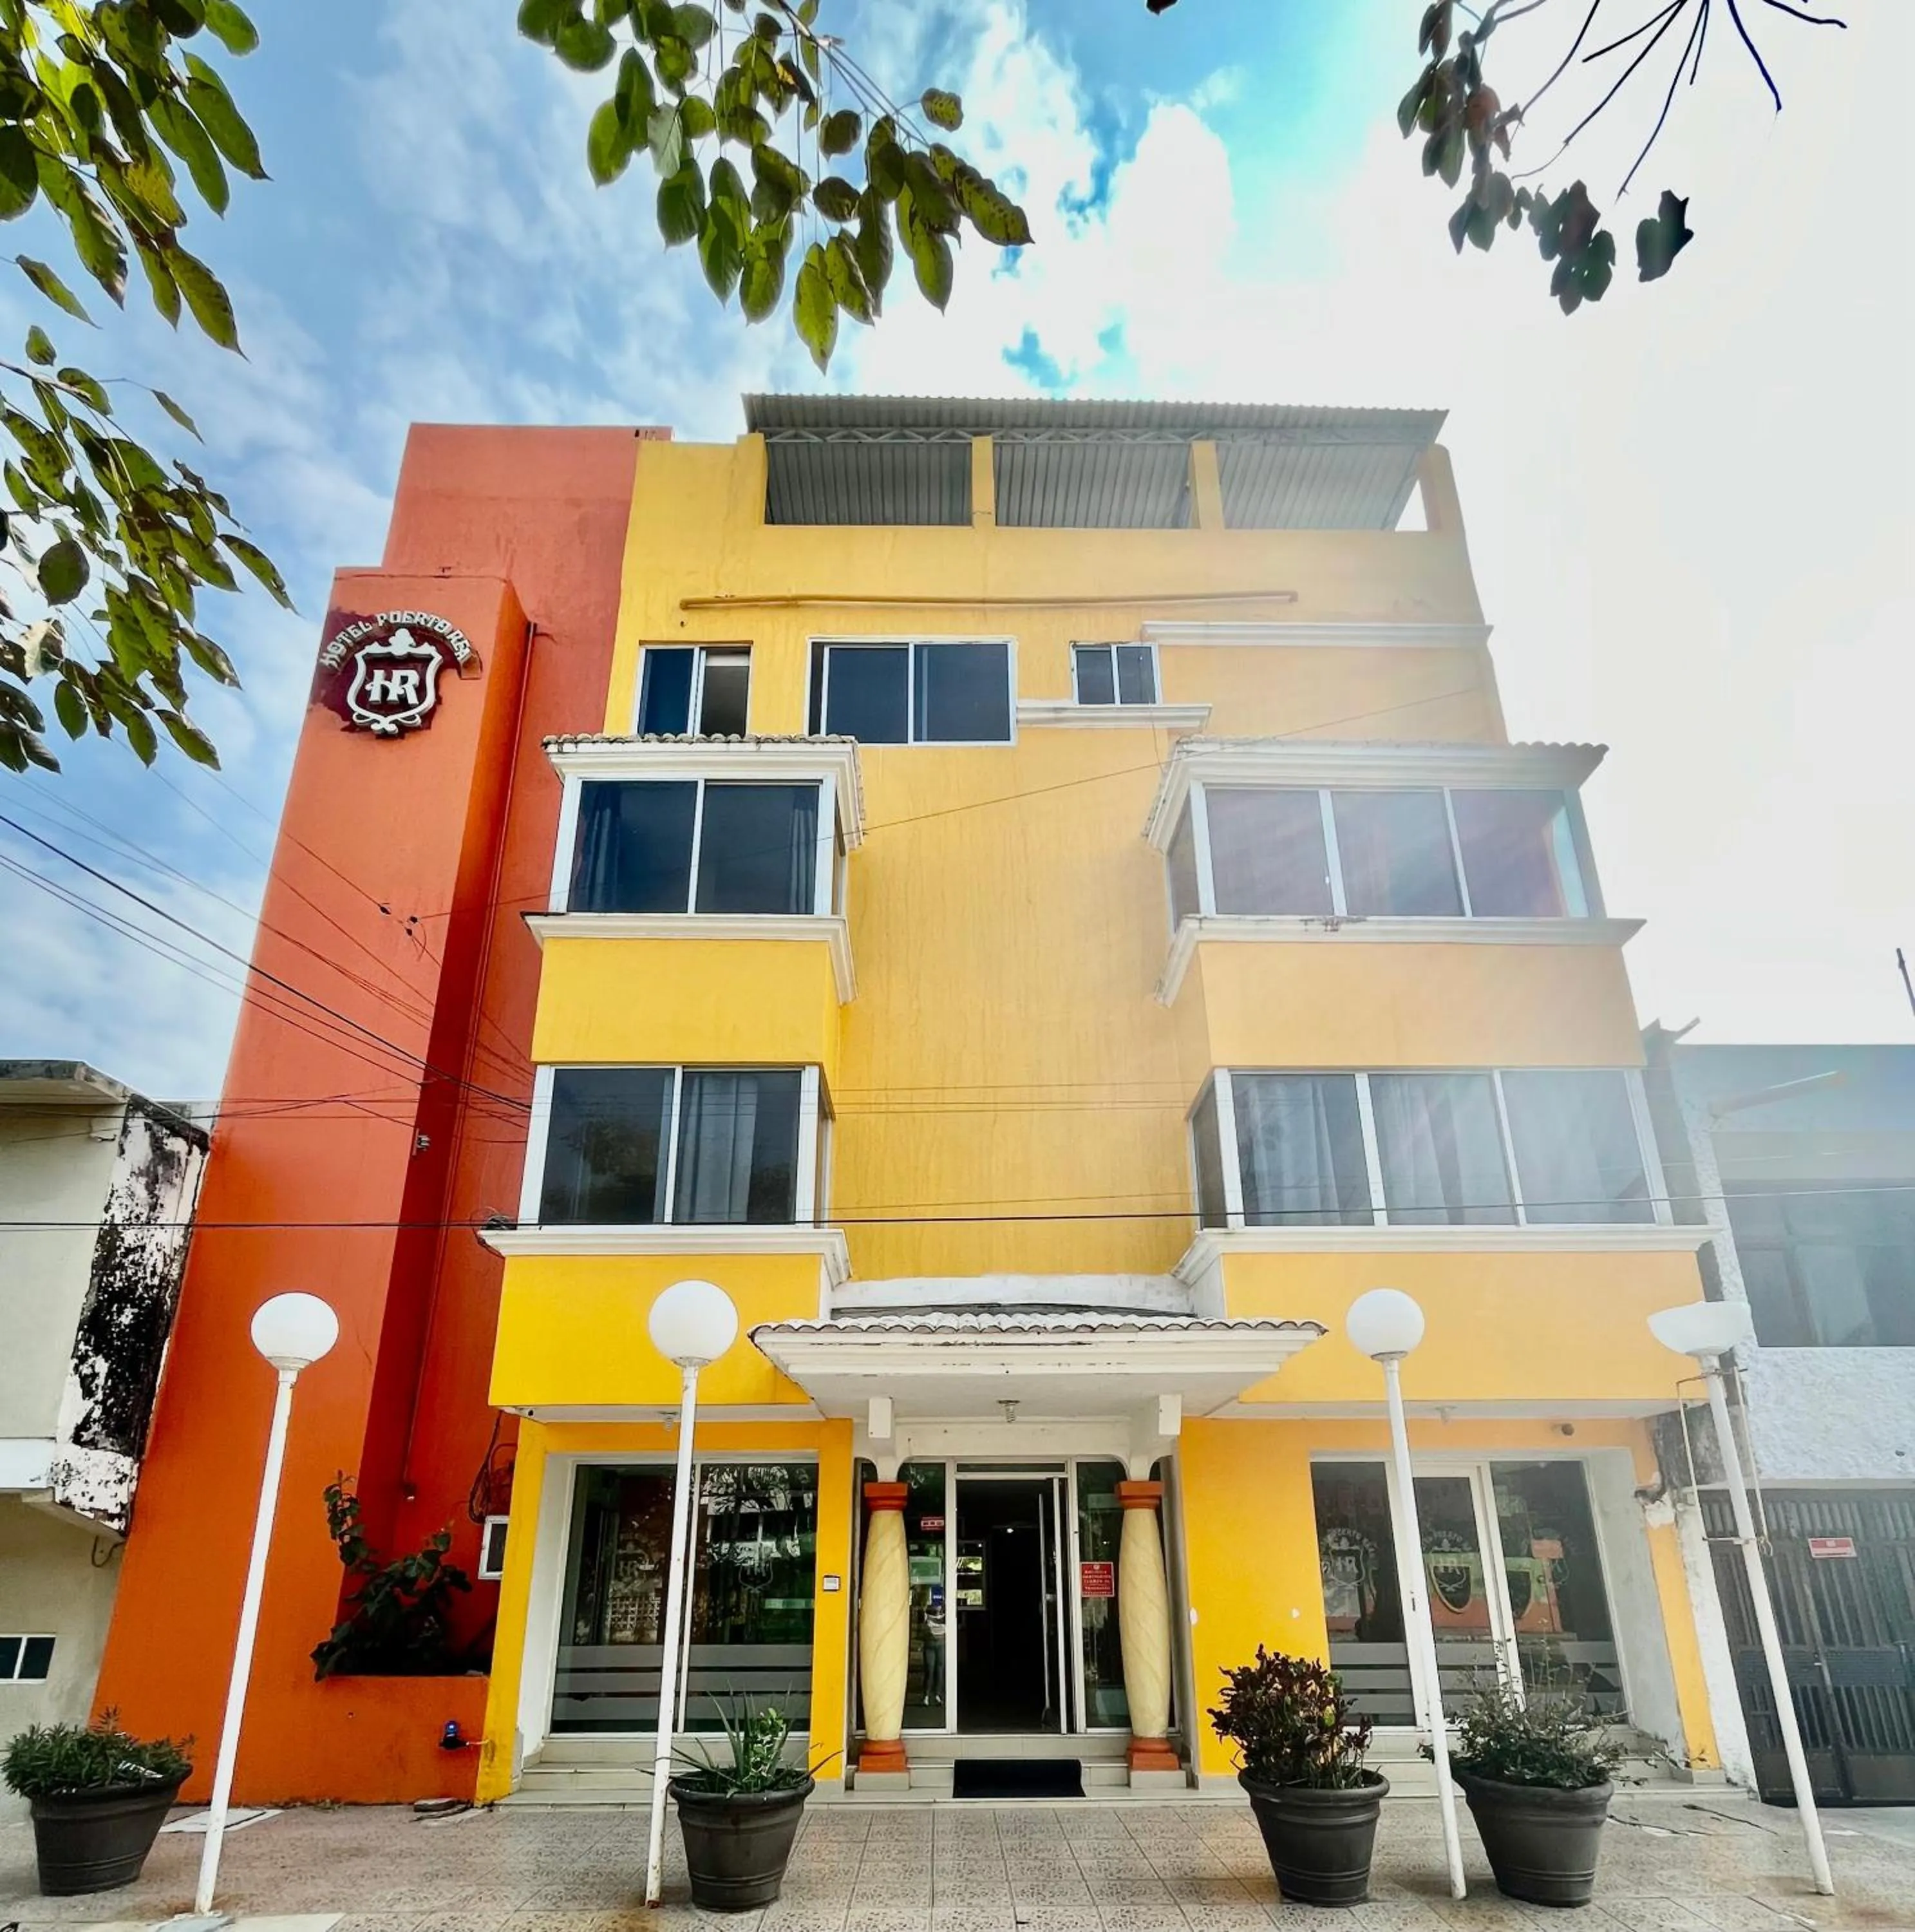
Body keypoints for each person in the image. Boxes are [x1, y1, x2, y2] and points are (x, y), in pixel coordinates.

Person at [921, 1585, 947, 1705]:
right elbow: (925, 1627)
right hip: (930, 1644)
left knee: (939, 1670)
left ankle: (938, 1695)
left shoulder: (946, 1614)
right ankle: (926, 1695)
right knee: (930, 1669)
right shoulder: (927, 1613)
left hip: (941, 1644)